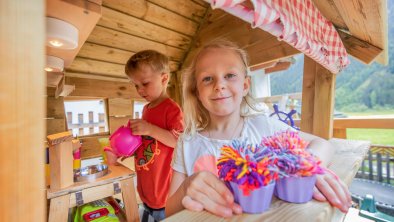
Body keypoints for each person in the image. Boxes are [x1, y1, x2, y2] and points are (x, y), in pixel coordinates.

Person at [165, 39, 352, 218]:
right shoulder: (187, 142)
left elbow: (322, 144)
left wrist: (305, 167)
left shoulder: (264, 126)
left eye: (230, 75)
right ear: (197, 92)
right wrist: (186, 187)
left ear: (245, 85)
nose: (219, 85)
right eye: (207, 79)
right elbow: (169, 212)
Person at [106, 50, 184, 221]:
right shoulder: (146, 109)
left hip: (165, 191)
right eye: (136, 85)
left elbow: (180, 142)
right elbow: (146, 143)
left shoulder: (172, 109)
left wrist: (149, 129)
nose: (140, 90)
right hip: (147, 183)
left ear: (164, 79)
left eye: (145, 83)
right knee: (147, 209)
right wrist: (125, 148)